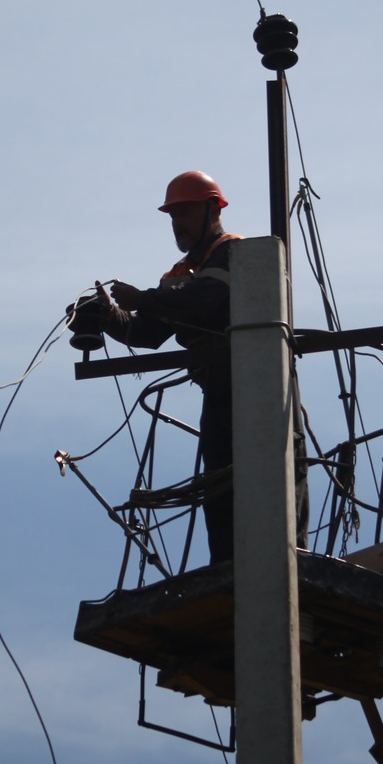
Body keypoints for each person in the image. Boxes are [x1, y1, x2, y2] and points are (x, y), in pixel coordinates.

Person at [99, 170, 241, 563]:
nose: (177, 224)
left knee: (266, 479)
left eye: (186, 213)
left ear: (213, 210)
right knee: (218, 486)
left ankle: (273, 564)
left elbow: (207, 300)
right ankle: (226, 570)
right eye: (172, 216)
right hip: (218, 393)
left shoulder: (236, 252)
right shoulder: (178, 276)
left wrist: (141, 298)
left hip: (256, 386)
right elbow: (146, 332)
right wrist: (107, 316)